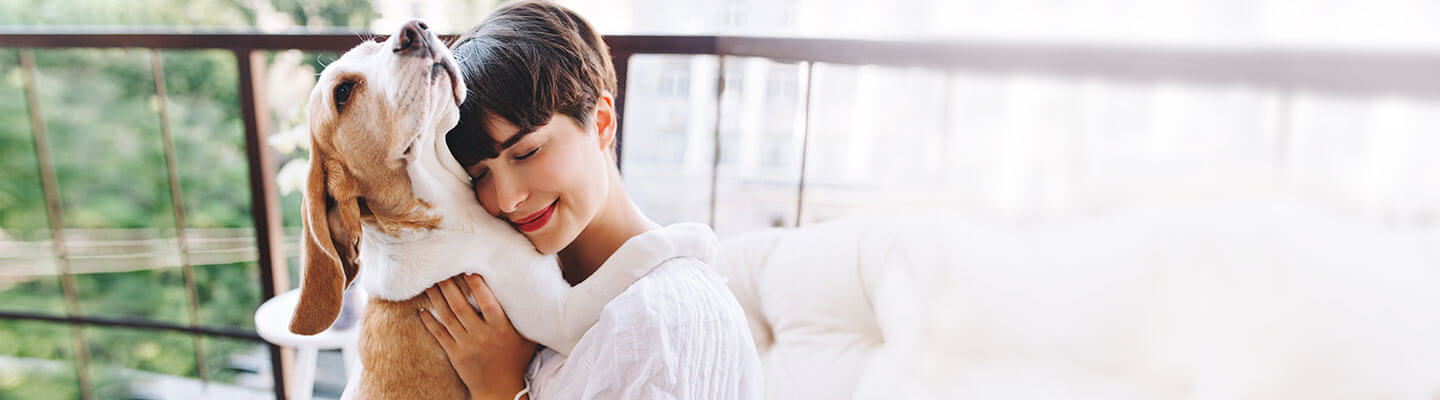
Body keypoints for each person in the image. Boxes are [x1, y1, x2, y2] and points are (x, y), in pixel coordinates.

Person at [413, 1, 764, 399]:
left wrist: (501, 388)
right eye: (481, 175)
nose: (509, 199)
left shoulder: (665, 317)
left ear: (600, 122)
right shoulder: (509, 302)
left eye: (526, 152)